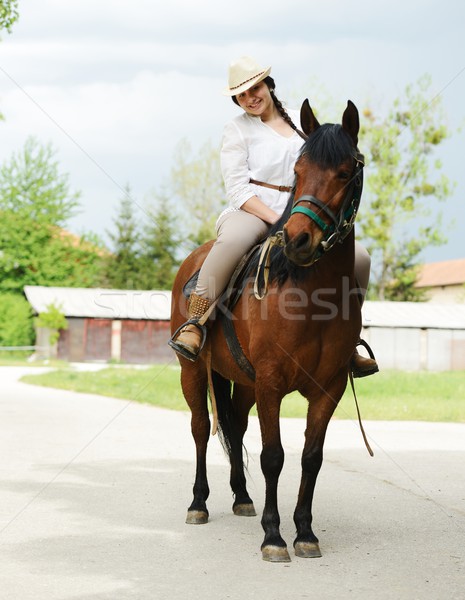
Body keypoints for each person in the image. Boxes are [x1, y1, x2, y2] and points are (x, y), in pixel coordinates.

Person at [170, 56, 378, 377]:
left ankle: (346, 341)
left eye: (255, 88)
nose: (251, 98)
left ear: (268, 85)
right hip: (252, 208)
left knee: (361, 258)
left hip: (303, 210)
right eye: (241, 95)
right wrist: (275, 220)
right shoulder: (236, 130)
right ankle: (195, 322)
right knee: (233, 241)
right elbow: (237, 190)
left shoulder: (301, 121)